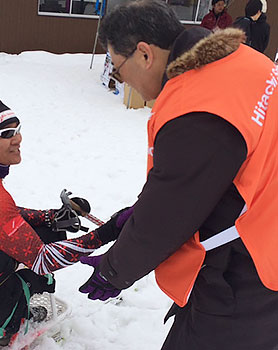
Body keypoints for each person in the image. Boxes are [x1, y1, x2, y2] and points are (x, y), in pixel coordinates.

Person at [78, 1, 278, 349]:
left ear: (144, 54)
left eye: (118, 66)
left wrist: (114, 270)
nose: (120, 78)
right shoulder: (243, 61)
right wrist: (137, 213)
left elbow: (169, 215)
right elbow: (200, 179)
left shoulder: (198, 106)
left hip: (246, 273)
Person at [0, 98, 127, 346]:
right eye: (7, 133)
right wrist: (106, 233)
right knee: (48, 244)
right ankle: (11, 330)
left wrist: (49, 216)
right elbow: (43, 260)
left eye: (18, 130)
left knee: (46, 230)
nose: (18, 139)